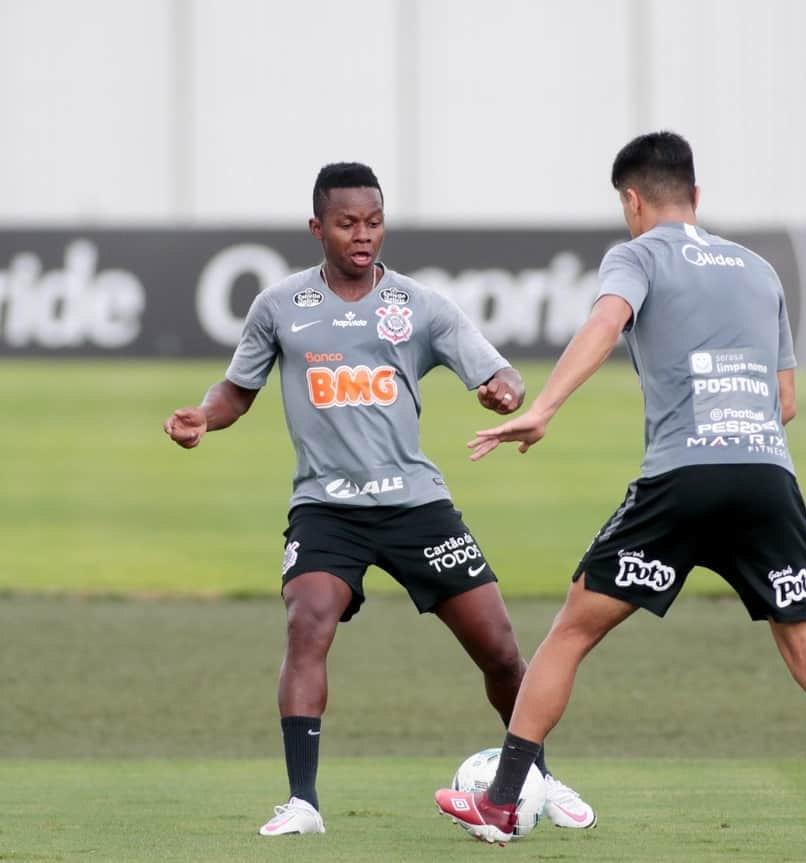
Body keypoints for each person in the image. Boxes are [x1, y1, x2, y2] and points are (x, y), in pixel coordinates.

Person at [435, 133, 806, 857]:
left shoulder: (638, 253)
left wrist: (545, 406)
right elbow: (786, 401)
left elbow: (606, 320)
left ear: (632, 199)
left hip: (681, 480)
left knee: (572, 630)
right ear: (697, 194)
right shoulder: (758, 269)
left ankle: (500, 801)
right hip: (767, 480)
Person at [163, 162, 594, 837]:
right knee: (308, 621)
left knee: (502, 650)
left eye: (373, 222)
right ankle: (303, 800)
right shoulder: (280, 305)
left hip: (415, 504)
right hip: (326, 508)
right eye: (347, 223)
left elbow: (498, 368)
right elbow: (237, 390)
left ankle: (540, 776)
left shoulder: (420, 305)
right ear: (317, 228)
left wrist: (504, 388)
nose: (363, 236)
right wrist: (203, 417)